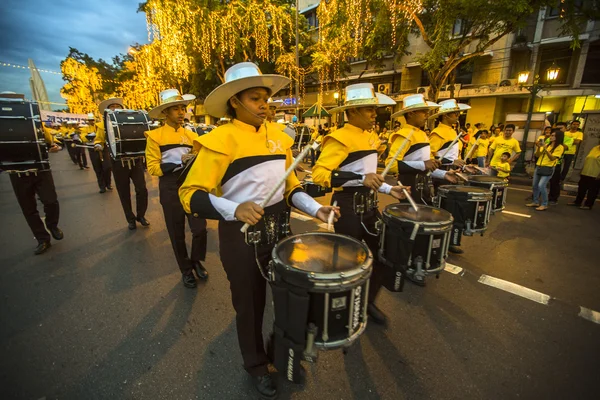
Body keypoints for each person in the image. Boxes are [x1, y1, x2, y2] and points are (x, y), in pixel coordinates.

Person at [178, 62, 339, 398]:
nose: (265, 104)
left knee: (289, 300)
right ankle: (255, 365)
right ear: (235, 102)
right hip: (242, 238)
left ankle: (281, 353)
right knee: (250, 306)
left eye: (266, 98)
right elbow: (189, 193)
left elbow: (291, 187)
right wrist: (233, 208)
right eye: (255, 98)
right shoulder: (219, 139)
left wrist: (316, 208)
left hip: (280, 231)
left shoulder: (280, 139)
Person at [312, 82, 409, 322]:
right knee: (349, 263)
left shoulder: (369, 137)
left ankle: (366, 303)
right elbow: (320, 174)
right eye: (369, 109)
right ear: (352, 111)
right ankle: (343, 311)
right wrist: (358, 178)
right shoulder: (338, 138)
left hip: (370, 206)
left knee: (384, 255)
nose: (375, 114)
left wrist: (389, 188)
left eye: (374, 109)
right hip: (347, 207)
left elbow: (370, 177)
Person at [146, 89, 209, 289]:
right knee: (177, 232)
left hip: (190, 184)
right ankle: (186, 270)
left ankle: (196, 260)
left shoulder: (192, 135)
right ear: (166, 113)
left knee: (200, 229)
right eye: (176, 109)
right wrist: (177, 163)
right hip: (170, 185)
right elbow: (153, 167)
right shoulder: (154, 136)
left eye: (183, 108)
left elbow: (198, 161)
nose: (181, 113)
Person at [2, 92, 64, 254]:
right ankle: (42, 239)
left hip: (40, 169)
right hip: (17, 171)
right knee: (28, 208)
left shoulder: (32, 121)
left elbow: (51, 140)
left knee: (50, 201)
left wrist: (55, 146)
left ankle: (52, 225)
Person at [94, 97, 149, 230]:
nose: (116, 108)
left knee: (142, 189)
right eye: (112, 106)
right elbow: (98, 140)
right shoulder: (103, 126)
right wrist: (98, 145)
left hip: (135, 161)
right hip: (118, 162)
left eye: (118, 106)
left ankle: (141, 215)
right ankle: (130, 219)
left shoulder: (133, 122)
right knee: (124, 192)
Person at [526, 129, 565, 211]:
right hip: (539, 166)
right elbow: (537, 155)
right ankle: (535, 201)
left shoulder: (560, 147)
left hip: (548, 168)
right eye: (551, 135)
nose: (551, 137)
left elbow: (552, 158)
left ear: (558, 137)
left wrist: (545, 148)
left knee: (541, 185)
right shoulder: (547, 145)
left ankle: (544, 204)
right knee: (535, 185)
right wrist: (539, 147)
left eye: (553, 135)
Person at [568, 144, 600, 210]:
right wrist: (582, 169)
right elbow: (588, 159)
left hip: (595, 174)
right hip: (585, 172)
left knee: (592, 191)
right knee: (581, 188)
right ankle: (577, 202)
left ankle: (588, 205)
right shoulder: (595, 148)